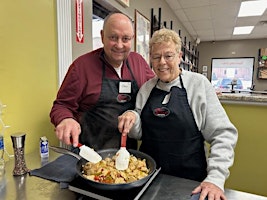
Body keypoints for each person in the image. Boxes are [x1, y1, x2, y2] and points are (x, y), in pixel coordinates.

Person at [118, 28, 238, 200]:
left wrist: (215, 178)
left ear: (180, 56)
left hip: (190, 182)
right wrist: (132, 116)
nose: (162, 62)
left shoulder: (198, 85)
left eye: (168, 56)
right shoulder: (147, 88)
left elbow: (223, 134)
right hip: (147, 179)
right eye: (156, 57)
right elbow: (139, 133)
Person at [50, 12, 154, 150]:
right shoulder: (82, 66)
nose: (119, 45)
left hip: (129, 156)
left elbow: (154, 92)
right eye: (113, 37)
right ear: (102, 36)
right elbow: (62, 105)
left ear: (132, 39)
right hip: (90, 154)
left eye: (125, 39)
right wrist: (65, 119)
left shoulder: (139, 62)